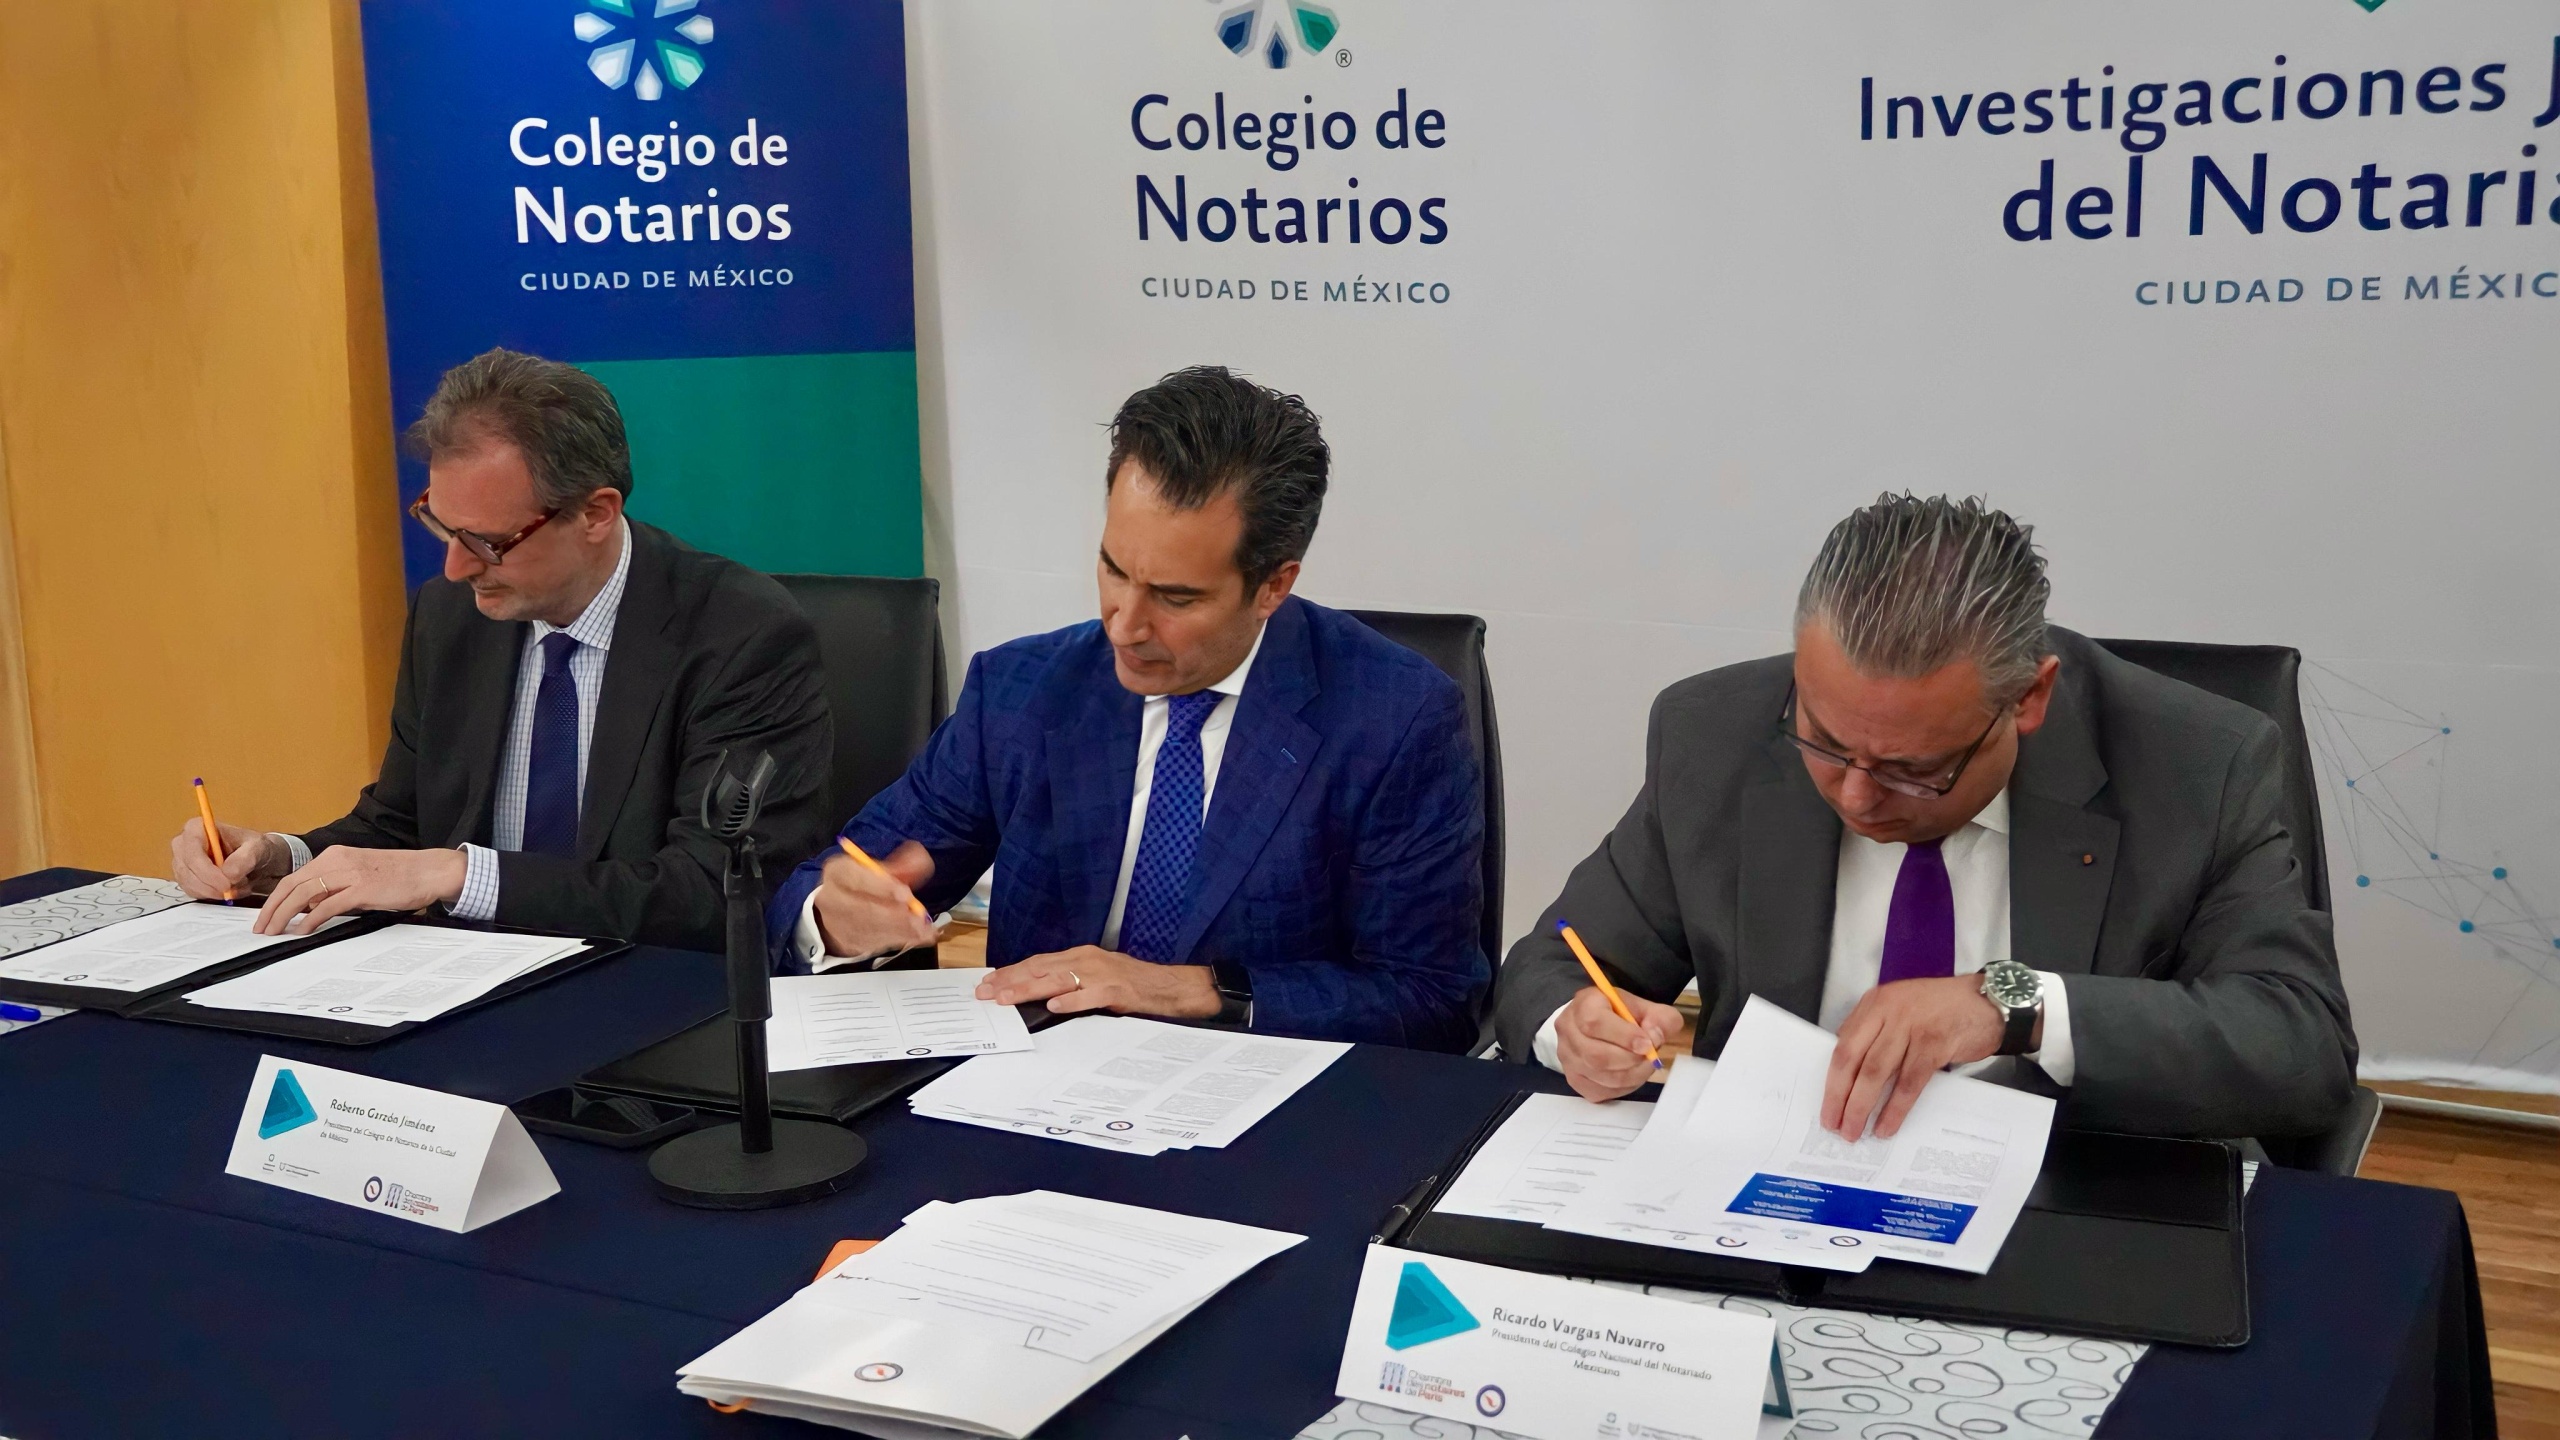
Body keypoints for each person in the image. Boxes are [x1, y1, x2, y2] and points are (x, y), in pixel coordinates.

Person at [1495, 493, 2357, 1142]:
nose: (1856, 797)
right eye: (1824, 742)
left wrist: (2012, 1004)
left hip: (2066, 1204)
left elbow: (2302, 1047)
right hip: (1770, 1189)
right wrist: (1577, 1027)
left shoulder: (2196, 765)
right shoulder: (1714, 734)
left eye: (1914, 770)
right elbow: (1553, 962)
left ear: (2029, 700)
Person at [767, 366, 1488, 1051]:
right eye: (1113, 569)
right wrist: (833, 916)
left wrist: (1194, 990)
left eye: (1175, 597)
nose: (1125, 625)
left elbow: (1429, 998)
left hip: (1264, 1100)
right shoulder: (1023, 691)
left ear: (1273, 586)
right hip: (1033, 1088)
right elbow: (832, 879)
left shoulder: (1393, 720)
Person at [169, 347, 834, 953]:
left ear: (595, 514)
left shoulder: (740, 634)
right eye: (442, 527)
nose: (456, 568)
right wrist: (280, 859)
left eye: (487, 543)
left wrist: (463, 875)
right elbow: (400, 826)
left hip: (649, 993)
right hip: (459, 983)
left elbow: (713, 892)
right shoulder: (449, 618)